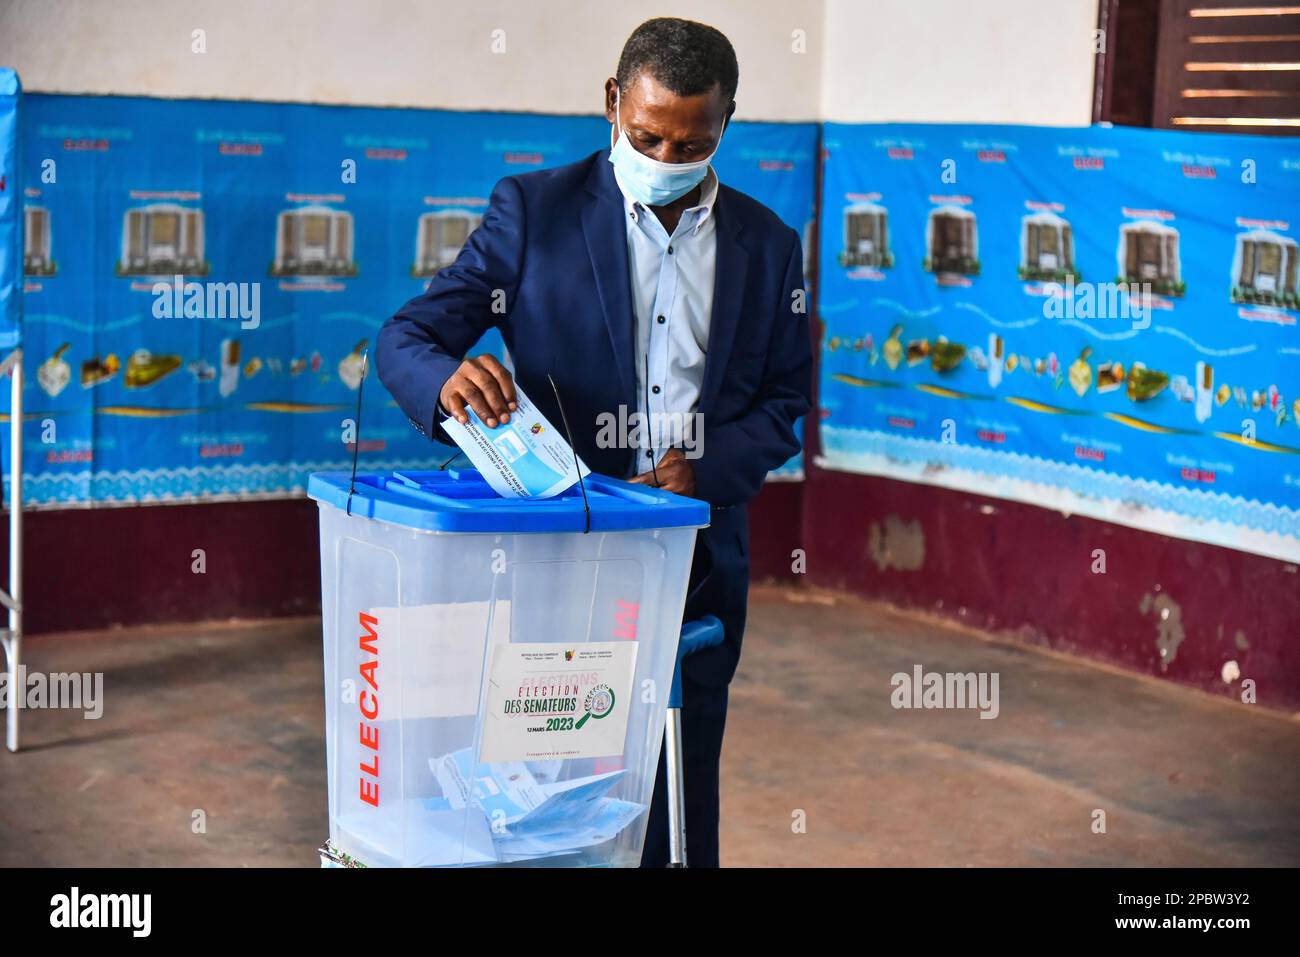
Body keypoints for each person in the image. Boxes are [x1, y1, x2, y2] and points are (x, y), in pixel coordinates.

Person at [376, 16, 811, 867]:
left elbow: (785, 402)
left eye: (691, 143)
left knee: (677, 800)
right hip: (550, 559)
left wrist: (709, 467)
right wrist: (446, 380)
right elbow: (405, 338)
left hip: (692, 566)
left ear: (727, 122)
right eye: (647, 135)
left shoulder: (767, 247)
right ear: (612, 103)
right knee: (543, 794)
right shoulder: (533, 214)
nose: (665, 157)